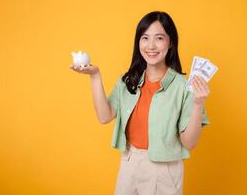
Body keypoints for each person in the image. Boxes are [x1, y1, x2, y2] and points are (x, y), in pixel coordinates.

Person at [69, 11, 210, 195]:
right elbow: (104, 116)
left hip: (164, 170)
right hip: (130, 162)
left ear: (171, 42)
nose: (151, 45)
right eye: (145, 38)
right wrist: (95, 77)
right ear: (138, 42)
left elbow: (189, 142)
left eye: (159, 38)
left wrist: (198, 104)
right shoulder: (128, 81)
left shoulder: (184, 87)